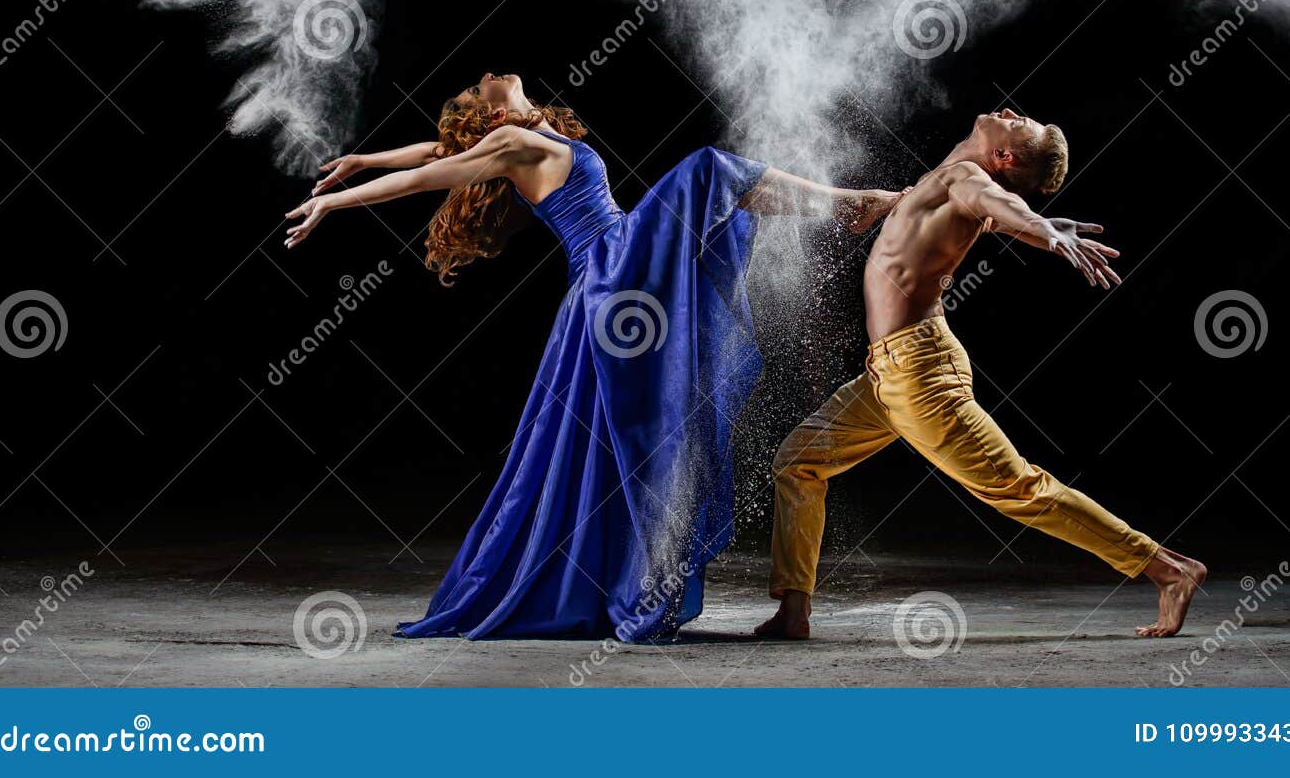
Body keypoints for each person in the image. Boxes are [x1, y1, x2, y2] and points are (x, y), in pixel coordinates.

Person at [285, 72, 900, 642]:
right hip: (613, 266)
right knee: (710, 169)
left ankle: (845, 203)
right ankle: (848, 202)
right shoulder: (507, 142)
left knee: (717, 193)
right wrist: (335, 204)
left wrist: (364, 158)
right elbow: (431, 174)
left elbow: (430, 155)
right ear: (491, 111)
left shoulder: (523, 138)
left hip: (614, 274)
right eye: (479, 85)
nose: (488, 72)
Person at [758, 109, 1206, 640]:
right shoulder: (948, 181)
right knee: (799, 461)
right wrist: (1046, 233)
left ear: (1005, 156)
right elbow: (995, 216)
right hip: (888, 375)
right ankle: (794, 610)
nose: (1012, 113)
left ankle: (1167, 569)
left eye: (1023, 125)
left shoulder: (968, 180)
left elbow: (1000, 205)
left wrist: (1041, 227)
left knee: (1019, 487)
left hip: (921, 377)